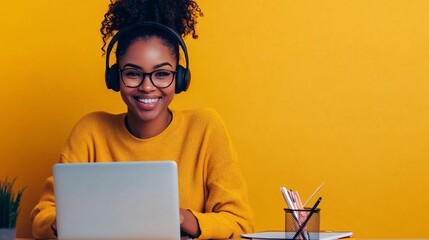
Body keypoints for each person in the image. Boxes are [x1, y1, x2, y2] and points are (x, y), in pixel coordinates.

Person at [30, 0, 254, 239]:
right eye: (133, 74)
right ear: (114, 78)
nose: (147, 87)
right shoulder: (90, 131)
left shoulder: (205, 127)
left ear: (180, 78)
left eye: (162, 74)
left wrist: (183, 218)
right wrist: (67, 221)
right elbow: (42, 217)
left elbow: (240, 223)